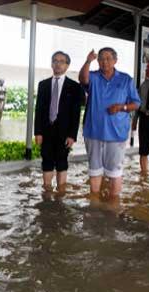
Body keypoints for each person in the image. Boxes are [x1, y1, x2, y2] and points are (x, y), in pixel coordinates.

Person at [79, 48, 141, 201]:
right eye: (101, 59)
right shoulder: (93, 76)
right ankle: (94, 202)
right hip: (93, 131)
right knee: (94, 170)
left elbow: (136, 103)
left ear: (115, 60)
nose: (104, 61)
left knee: (115, 172)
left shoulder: (126, 79)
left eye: (107, 58)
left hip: (116, 133)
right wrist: (88, 61)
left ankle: (113, 205)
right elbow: (82, 79)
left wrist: (121, 107)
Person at [34, 51, 84, 193]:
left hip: (64, 132)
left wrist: (72, 135)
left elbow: (76, 113)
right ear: (51, 64)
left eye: (61, 61)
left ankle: (61, 193)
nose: (57, 63)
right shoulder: (43, 85)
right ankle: (47, 192)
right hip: (46, 129)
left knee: (62, 161)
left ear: (67, 65)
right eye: (55, 60)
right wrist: (37, 132)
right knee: (47, 160)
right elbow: (38, 110)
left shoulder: (74, 86)